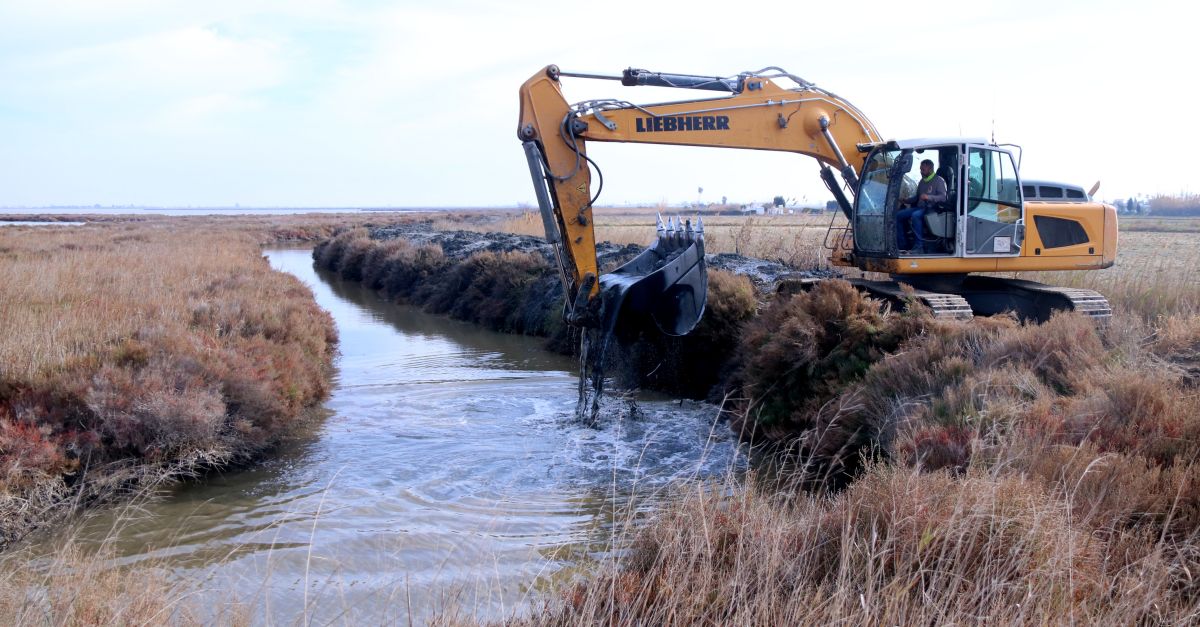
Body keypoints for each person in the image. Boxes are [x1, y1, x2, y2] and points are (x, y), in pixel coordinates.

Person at [895, 159, 948, 252]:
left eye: (923, 170)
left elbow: (943, 197)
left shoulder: (939, 181)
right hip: (920, 207)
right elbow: (917, 197)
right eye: (920, 169)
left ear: (930, 169)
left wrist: (929, 197)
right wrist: (905, 200)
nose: (921, 172)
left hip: (931, 209)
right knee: (898, 215)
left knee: (915, 216)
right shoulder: (922, 181)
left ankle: (919, 246)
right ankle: (902, 244)